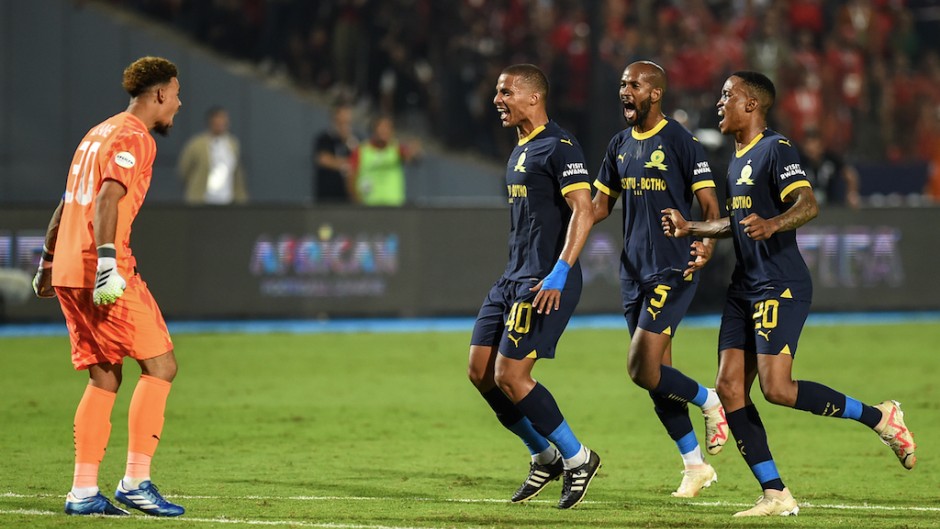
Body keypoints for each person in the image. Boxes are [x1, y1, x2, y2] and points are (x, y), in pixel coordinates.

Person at [661, 71, 916, 517]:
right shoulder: (736, 158)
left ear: (752, 105)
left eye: (727, 96)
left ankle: (879, 417)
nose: (719, 103)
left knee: (777, 388)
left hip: (780, 284)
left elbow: (808, 204)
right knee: (729, 386)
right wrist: (692, 227)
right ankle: (775, 493)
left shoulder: (775, 150)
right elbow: (737, 223)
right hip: (744, 286)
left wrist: (775, 223)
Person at [30, 56, 187, 517]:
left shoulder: (95, 134)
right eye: (176, 93)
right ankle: (136, 481)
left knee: (104, 375)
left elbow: (67, 203)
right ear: (159, 93)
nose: (179, 102)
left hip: (66, 271)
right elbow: (106, 198)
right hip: (102, 271)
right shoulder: (134, 137)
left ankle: (82, 493)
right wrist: (105, 264)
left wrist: (45, 261)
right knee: (161, 366)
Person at [466, 63, 601, 510]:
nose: (497, 100)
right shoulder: (520, 148)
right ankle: (543, 454)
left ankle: (578, 457)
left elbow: (583, 209)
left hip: (545, 279)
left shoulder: (560, 146)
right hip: (511, 277)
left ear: (532, 97)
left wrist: (561, 271)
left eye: (505, 92)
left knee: (512, 374)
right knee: (481, 372)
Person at [591, 61, 728, 499]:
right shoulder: (618, 145)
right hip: (632, 273)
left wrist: (705, 244)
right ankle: (694, 466)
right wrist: (561, 214)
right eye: (620, 84)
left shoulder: (681, 142)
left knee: (641, 368)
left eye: (633, 85)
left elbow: (710, 207)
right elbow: (597, 207)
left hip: (673, 268)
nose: (624, 91)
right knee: (657, 375)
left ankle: (710, 399)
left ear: (655, 94)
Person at [178, 106, 248, 205]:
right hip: (202, 200)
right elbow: (184, 170)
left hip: (227, 200)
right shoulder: (196, 144)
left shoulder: (233, 144)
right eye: (217, 121)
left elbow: (236, 172)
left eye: (223, 120)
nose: (220, 124)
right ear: (210, 122)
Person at [348, 114, 419, 206]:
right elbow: (351, 178)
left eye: (388, 127)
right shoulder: (361, 151)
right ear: (374, 129)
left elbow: (412, 157)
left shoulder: (397, 149)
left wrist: (415, 151)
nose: (384, 131)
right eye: (381, 127)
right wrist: (357, 201)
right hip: (369, 208)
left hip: (394, 207)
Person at [798, 128, 860, 208]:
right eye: (808, 145)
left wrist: (852, 194)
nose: (811, 148)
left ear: (821, 146)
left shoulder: (831, 159)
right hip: (807, 208)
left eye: (814, 145)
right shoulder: (799, 161)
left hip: (831, 206)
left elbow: (850, 175)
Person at [313, 101, 359, 203]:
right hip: (327, 197)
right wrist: (346, 163)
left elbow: (360, 163)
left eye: (347, 120)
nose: (344, 124)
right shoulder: (324, 138)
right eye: (341, 120)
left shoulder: (355, 140)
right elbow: (323, 159)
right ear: (334, 118)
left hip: (349, 199)